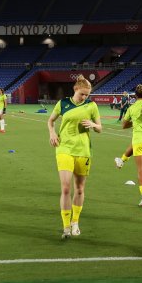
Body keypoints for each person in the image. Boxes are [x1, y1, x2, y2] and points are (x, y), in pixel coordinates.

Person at [48, 74, 102, 239]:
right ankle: (65, 226)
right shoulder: (63, 103)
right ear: (75, 89)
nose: (84, 97)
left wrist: (93, 124)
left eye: (87, 95)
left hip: (83, 151)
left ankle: (75, 222)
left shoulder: (91, 106)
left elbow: (100, 128)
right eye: (82, 94)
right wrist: (52, 133)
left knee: (79, 189)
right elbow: (50, 121)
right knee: (66, 188)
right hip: (64, 148)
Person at [115, 84, 142, 207]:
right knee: (135, 144)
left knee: (141, 170)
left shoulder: (131, 108)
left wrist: (134, 123)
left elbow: (123, 125)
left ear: (135, 95)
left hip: (139, 140)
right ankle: (122, 160)